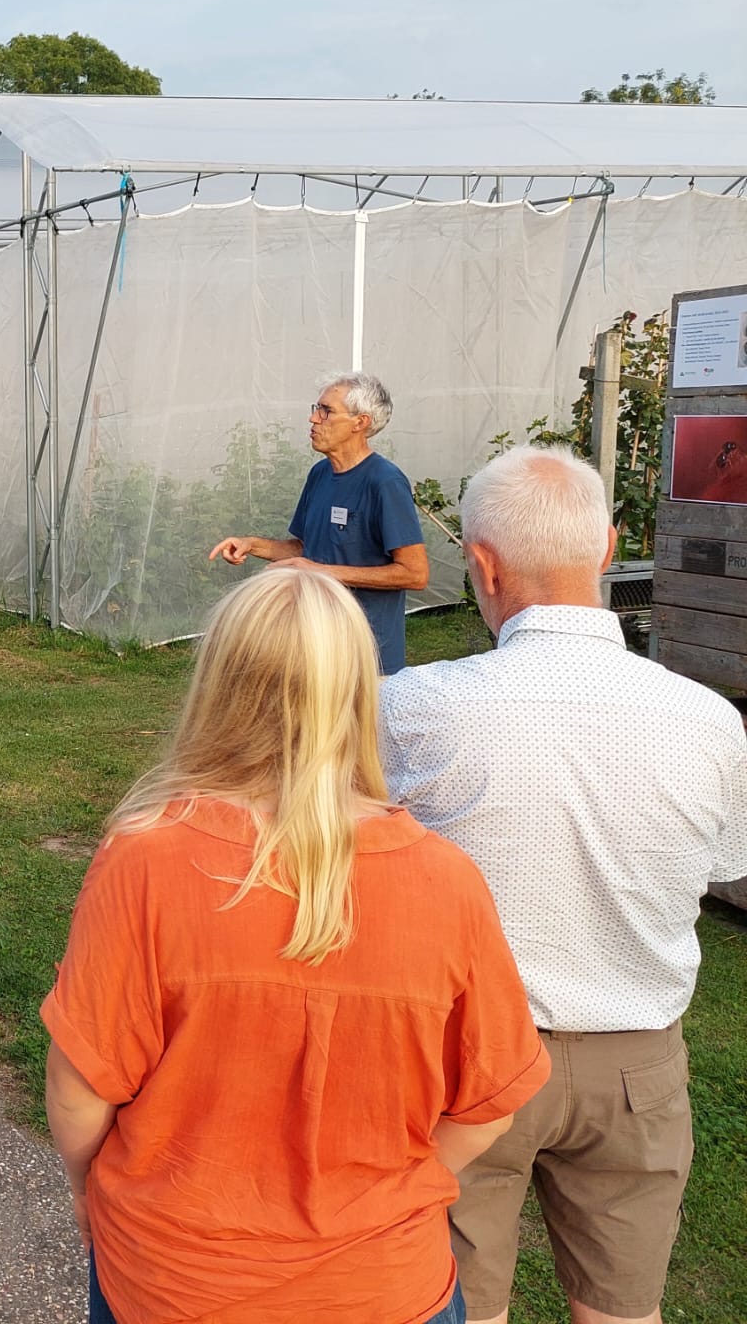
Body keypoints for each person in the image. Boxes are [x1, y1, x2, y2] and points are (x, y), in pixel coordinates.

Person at [42, 565, 548, 1324]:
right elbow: (490, 1105)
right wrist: (388, 1195)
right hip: (384, 1287)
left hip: (174, 1282)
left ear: (219, 682)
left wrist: (89, 1188)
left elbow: (81, 1091)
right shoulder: (448, 881)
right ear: (358, 691)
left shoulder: (144, 861)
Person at [380, 445, 747, 1324]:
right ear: (611, 543)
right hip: (637, 1059)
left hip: (464, 1058)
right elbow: (720, 867)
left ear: (482, 563)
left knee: (459, 1304)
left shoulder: (411, 706)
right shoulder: (710, 720)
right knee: (625, 1312)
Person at [208, 371, 429, 674]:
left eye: (326, 411)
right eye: (316, 409)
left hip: (366, 655)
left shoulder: (385, 482)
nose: (314, 419)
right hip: (315, 645)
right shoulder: (320, 474)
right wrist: (252, 545)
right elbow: (303, 548)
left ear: (359, 423)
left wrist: (319, 572)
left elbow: (415, 574)